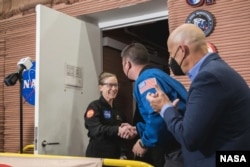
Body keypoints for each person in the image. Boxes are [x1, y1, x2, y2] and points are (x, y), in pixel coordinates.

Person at [146, 23, 250, 167]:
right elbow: (207, 126)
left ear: (182, 50)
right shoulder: (218, 70)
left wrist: (165, 108)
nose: (171, 61)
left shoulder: (207, 78)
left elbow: (189, 139)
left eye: (171, 54)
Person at [120, 43, 188, 167]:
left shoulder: (146, 80)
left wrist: (144, 142)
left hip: (178, 148)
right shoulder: (159, 74)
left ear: (127, 64)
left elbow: (157, 115)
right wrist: (137, 129)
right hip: (184, 141)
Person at [84, 72, 131, 160]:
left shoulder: (119, 111)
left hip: (116, 159)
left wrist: (123, 153)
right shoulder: (94, 107)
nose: (114, 88)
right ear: (100, 88)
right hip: (97, 157)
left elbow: (122, 138)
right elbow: (96, 130)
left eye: (116, 85)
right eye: (110, 85)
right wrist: (117, 129)